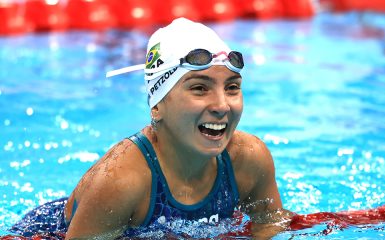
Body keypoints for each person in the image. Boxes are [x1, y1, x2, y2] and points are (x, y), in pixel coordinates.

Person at [63, 17, 292, 239]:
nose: (222, 106)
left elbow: (271, 227)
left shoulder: (248, 160)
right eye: (200, 88)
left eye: (232, 87)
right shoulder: (121, 180)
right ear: (157, 106)